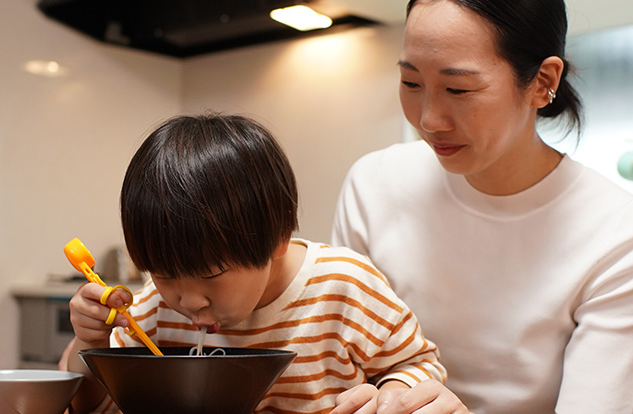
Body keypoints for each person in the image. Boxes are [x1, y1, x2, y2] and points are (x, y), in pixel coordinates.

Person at [332, 0, 633, 413]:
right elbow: (340, 365)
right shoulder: (374, 185)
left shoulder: (620, 237)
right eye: (411, 82)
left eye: (458, 89)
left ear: (543, 82)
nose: (429, 120)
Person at [64, 113, 468, 414]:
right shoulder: (152, 309)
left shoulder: (344, 287)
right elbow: (94, 407)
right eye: (164, 273)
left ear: (277, 238)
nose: (188, 301)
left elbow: (418, 365)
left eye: (210, 275)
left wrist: (392, 397)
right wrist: (90, 343)